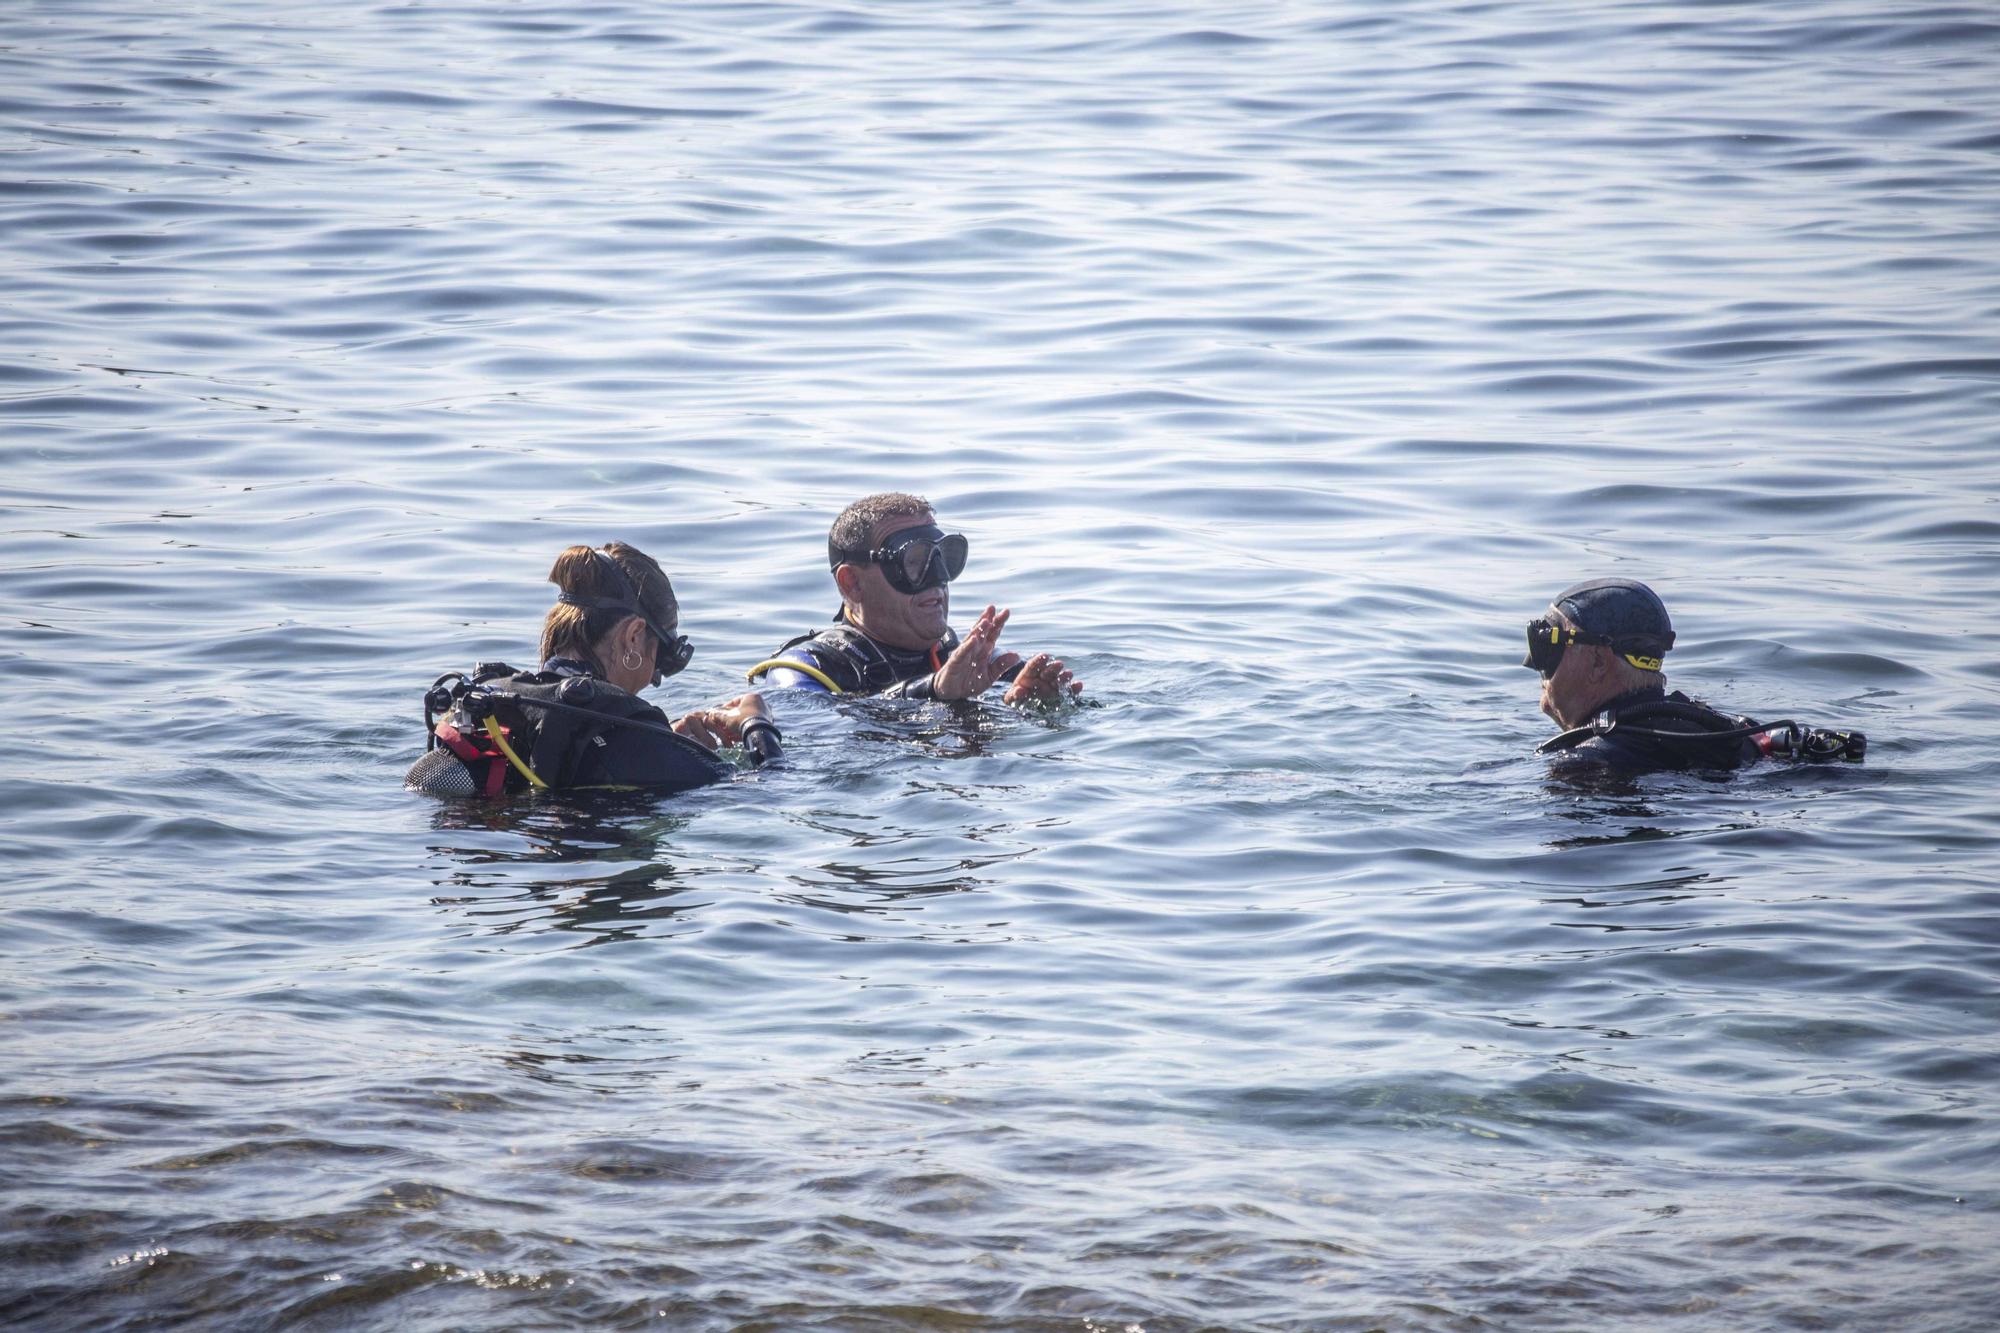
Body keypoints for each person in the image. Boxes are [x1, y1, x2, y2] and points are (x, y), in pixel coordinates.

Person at [406, 542, 777, 797]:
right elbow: (770, 791)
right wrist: (756, 726)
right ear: (634, 637)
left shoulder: (504, 698)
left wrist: (668, 742)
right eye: (661, 658)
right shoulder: (625, 733)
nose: (653, 679)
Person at [747, 492, 1084, 704]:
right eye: (914, 562)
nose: (937, 580)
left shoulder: (968, 660)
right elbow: (810, 740)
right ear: (851, 584)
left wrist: (1027, 707)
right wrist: (934, 691)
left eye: (944, 559)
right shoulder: (807, 670)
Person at [1523, 577, 1863, 770]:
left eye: (1549, 644)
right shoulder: (1707, 728)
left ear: (1598, 662)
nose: (1537, 664)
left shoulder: (1586, 762)